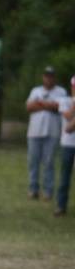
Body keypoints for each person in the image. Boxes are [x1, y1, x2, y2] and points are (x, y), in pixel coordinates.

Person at [26, 66, 67, 200]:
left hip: (52, 132)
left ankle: (48, 191)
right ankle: (33, 189)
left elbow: (60, 107)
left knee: (49, 162)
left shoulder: (61, 92)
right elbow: (29, 107)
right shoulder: (35, 90)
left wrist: (40, 103)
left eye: (51, 76)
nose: (48, 79)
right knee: (33, 161)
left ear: (54, 78)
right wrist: (49, 105)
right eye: (46, 76)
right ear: (43, 77)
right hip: (34, 132)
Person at [55, 75, 75, 216]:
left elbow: (70, 126)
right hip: (68, 144)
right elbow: (68, 116)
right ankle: (61, 206)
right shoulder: (65, 101)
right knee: (64, 177)